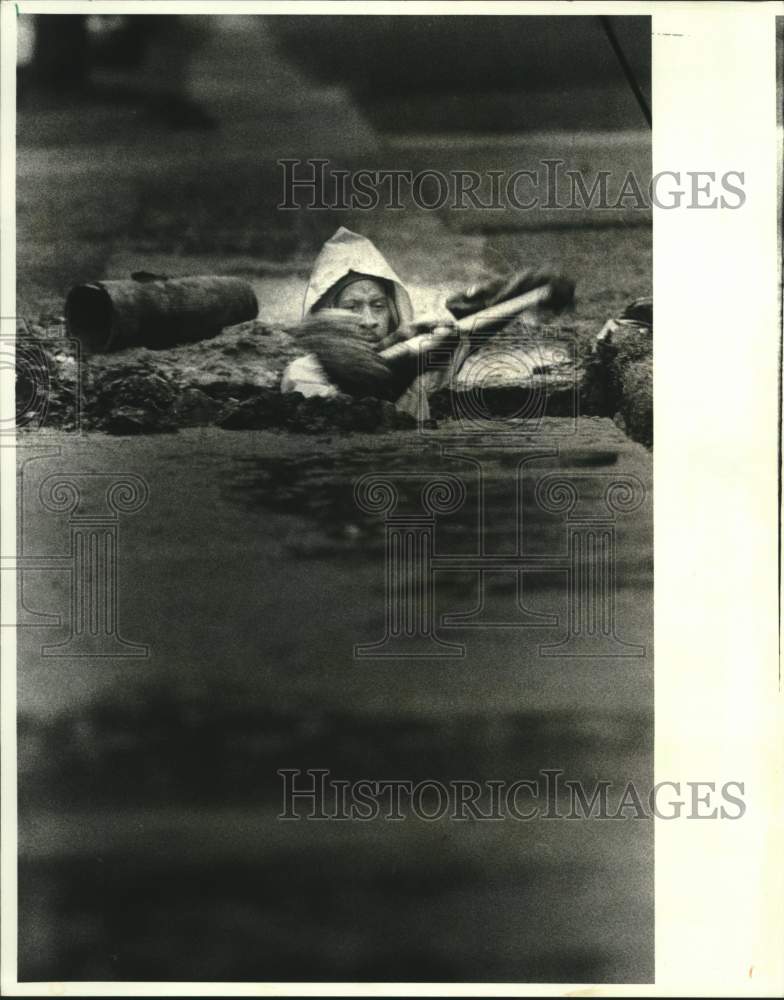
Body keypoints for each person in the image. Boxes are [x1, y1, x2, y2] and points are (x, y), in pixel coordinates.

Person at [281, 227, 458, 420]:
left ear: (394, 311)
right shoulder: (302, 373)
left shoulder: (414, 358)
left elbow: (461, 338)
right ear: (329, 314)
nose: (369, 321)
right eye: (352, 307)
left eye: (378, 306)